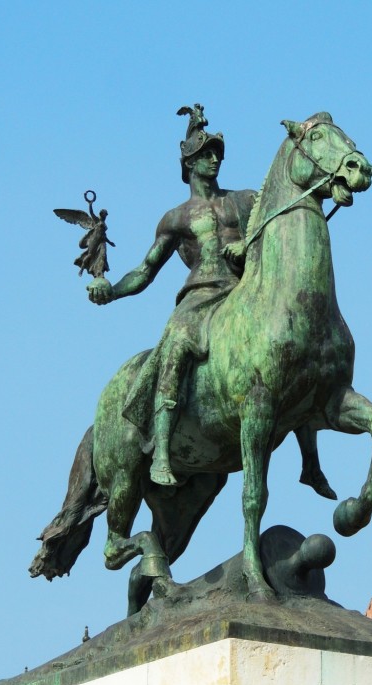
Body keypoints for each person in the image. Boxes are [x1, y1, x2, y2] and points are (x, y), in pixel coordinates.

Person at [86, 105, 255, 485]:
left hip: (242, 290)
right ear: (189, 163)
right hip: (199, 295)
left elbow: (273, 229)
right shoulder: (176, 218)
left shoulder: (244, 200)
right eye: (206, 154)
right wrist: (110, 291)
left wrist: (247, 245)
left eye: (217, 154)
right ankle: (161, 450)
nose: (214, 160)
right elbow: (146, 271)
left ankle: (308, 456)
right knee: (176, 342)